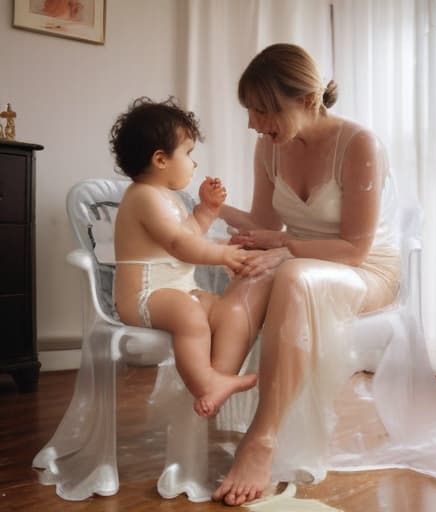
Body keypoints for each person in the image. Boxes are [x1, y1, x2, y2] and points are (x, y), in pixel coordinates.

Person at [211, 43, 402, 505]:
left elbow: (355, 249)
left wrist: (283, 249)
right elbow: (264, 225)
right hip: (299, 259)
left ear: (308, 101)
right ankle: (212, 391)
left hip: (365, 269)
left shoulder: (359, 144)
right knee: (249, 271)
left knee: (291, 276)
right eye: (250, 111)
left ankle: (263, 438)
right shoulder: (268, 147)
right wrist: (210, 212)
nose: (254, 123)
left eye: (263, 110)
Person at [110, 97, 269, 418]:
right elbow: (180, 245)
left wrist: (206, 211)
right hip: (142, 296)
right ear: (161, 159)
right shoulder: (143, 197)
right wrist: (223, 254)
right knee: (190, 315)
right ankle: (205, 382)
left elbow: (190, 232)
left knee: (225, 310)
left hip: (176, 291)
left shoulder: (168, 198)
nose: (193, 163)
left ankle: (220, 371)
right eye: (188, 153)